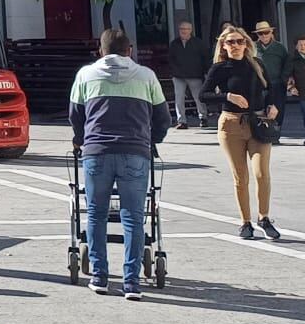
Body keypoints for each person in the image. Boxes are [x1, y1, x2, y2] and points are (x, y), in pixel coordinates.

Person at [69, 28, 169, 300]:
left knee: (96, 213)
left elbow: (75, 115)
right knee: (134, 217)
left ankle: (100, 276)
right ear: (130, 50)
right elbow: (163, 118)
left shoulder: (85, 75)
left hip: (97, 152)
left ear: (100, 51)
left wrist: (80, 139)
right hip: (135, 152)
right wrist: (151, 141)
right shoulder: (147, 76)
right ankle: (132, 282)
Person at [202, 27, 285, 241]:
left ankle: (264, 217)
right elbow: (204, 95)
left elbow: (270, 89)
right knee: (241, 177)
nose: (236, 46)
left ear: (246, 44)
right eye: (230, 42)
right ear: (223, 46)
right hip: (231, 125)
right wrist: (228, 96)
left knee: (261, 173)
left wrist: (273, 105)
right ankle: (245, 221)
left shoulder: (257, 65)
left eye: (239, 41)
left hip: (258, 123)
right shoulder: (219, 68)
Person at [166, 21, 211, 130]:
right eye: (182, 29)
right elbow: (170, 59)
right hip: (178, 76)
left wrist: (206, 72)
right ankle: (182, 121)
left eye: (186, 29)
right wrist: (174, 71)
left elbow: (205, 58)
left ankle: (203, 117)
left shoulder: (198, 43)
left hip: (195, 75)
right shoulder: (174, 43)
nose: (183, 31)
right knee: (179, 98)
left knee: (198, 98)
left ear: (191, 30)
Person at [252, 21, 289, 93]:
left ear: (271, 31)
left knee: (278, 104)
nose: (264, 35)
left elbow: (287, 64)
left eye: (266, 32)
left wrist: (283, 79)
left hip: (278, 84)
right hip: (259, 85)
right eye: (260, 33)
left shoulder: (280, 47)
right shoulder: (252, 47)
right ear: (257, 34)